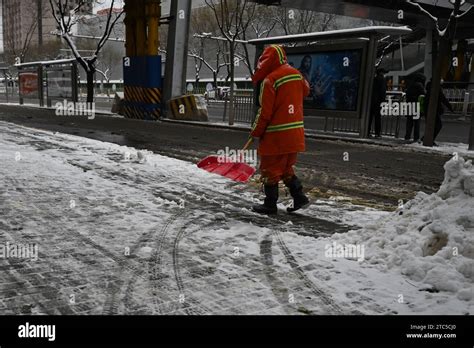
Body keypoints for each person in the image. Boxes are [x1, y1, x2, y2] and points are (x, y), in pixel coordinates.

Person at [250, 45, 311, 215]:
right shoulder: (297, 74)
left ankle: (270, 204)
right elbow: (306, 90)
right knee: (285, 168)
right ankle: (299, 197)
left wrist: (256, 131)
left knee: (270, 169)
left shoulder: (271, 80)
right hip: (296, 134)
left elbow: (265, 112)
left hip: (276, 135)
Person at [423, 79, 454, 145]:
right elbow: (443, 98)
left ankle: (426, 138)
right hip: (433, 109)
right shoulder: (436, 88)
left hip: (428, 108)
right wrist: (450, 107)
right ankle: (428, 139)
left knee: (432, 125)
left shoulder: (429, 87)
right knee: (438, 125)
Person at [404, 73, 426, 142]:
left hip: (409, 105)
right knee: (417, 123)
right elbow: (423, 94)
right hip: (416, 105)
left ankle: (407, 136)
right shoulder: (420, 86)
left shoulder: (410, 85)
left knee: (409, 122)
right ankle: (416, 138)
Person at [368, 68, 387, 138]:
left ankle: (367, 131)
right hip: (378, 101)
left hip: (372, 101)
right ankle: (377, 133)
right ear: (382, 73)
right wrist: (383, 100)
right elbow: (382, 91)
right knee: (377, 118)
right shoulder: (382, 80)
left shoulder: (374, 79)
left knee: (370, 117)